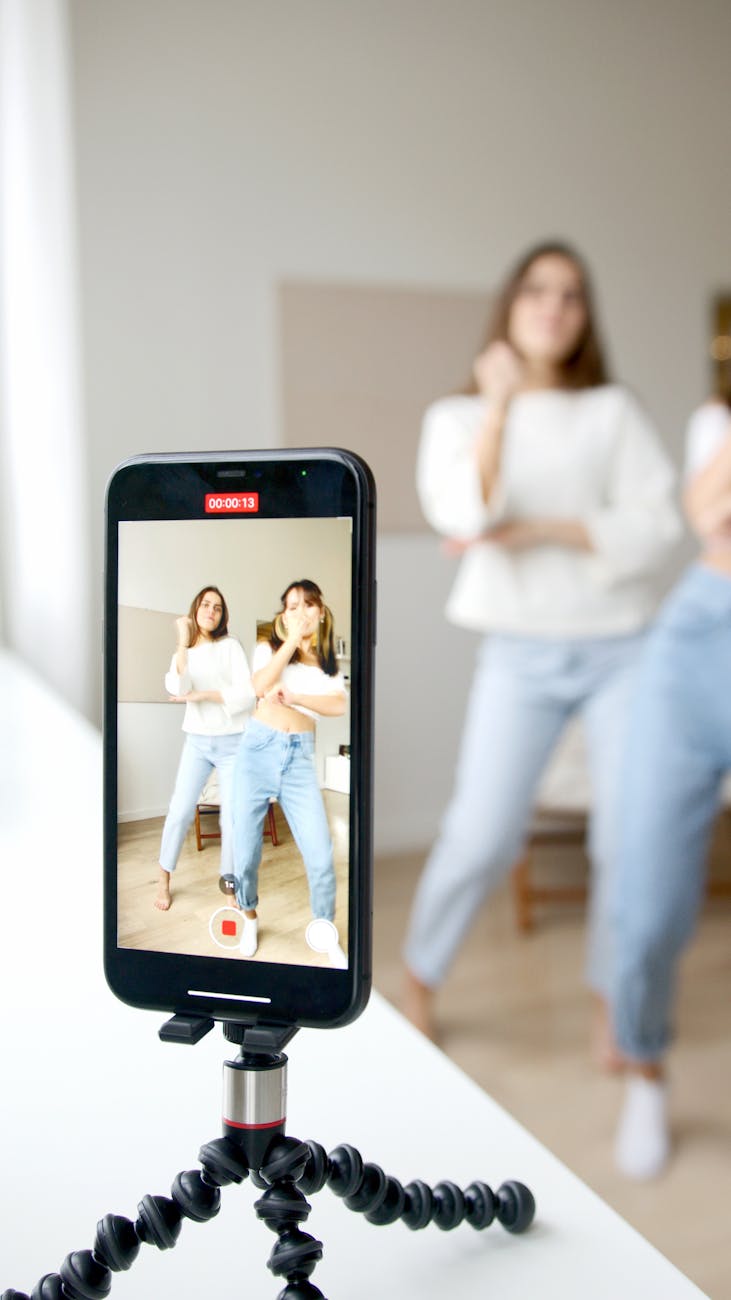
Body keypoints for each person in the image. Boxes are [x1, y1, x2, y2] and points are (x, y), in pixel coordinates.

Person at [401, 241, 681, 1050]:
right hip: (518, 652)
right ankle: (418, 976)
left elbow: (660, 523)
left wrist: (547, 529)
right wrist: (497, 405)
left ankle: (613, 1003)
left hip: (621, 650)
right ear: (510, 306)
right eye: (536, 291)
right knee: (481, 833)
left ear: (585, 315)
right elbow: (464, 515)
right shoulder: (455, 417)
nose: (553, 307)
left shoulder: (612, 412)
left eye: (570, 294)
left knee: (626, 839)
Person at [612, 397, 731, 1179]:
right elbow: (710, 514)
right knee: (649, 905)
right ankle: (644, 1072)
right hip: (694, 648)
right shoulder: (713, 424)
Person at [229, 579, 347, 957]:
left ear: (321, 612)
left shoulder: (327, 661)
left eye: (309, 605)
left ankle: (325, 932)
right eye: (292, 606)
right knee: (246, 853)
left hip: (299, 758)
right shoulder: (267, 645)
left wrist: (294, 697)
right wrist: (292, 642)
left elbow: (338, 705)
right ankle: (249, 917)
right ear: (284, 614)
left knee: (321, 854)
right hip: (258, 750)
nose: (301, 612)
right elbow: (259, 685)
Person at [156, 586, 254, 910]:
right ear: (196, 609)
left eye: (217, 607)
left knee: (233, 819)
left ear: (223, 615)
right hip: (197, 742)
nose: (211, 611)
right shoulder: (184, 652)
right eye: (205, 605)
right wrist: (183, 642)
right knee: (180, 810)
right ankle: (163, 878)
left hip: (232, 744)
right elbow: (177, 686)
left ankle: (230, 887)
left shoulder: (231, 646)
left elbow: (247, 695)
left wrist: (205, 695)